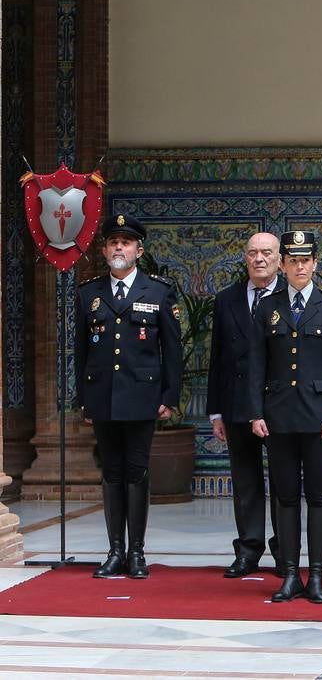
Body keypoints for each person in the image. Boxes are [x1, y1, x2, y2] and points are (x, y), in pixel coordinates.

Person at [76, 214, 183, 580]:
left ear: (139, 249)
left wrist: (169, 395)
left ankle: (136, 552)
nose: (119, 247)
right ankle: (114, 551)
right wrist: (82, 399)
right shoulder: (88, 293)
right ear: (104, 250)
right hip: (102, 396)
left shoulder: (157, 291)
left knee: (136, 472)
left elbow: (172, 347)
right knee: (111, 473)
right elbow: (79, 351)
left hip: (142, 396)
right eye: (113, 242)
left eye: (126, 242)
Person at [247, 230, 322, 604]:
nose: (299, 266)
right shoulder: (267, 306)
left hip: (320, 418)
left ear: (315, 264)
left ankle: (318, 575)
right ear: (282, 264)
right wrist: (255, 413)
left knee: (319, 498)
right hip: (277, 417)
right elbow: (256, 364)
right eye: (293, 260)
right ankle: (290, 573)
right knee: (285, 498)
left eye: (305, 260)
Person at [208, 231, 281, 579]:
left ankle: (286, 550)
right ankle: (249, 549)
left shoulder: (291, 296)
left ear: (279, 259)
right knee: (246, 480)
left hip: (281, 404)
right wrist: (215, 411)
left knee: (283, 481)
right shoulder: (227, 299)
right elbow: (217, 358)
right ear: (245, 258)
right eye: (252, 253)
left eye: (267, 252)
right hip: (237, 404)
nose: (259, 259)